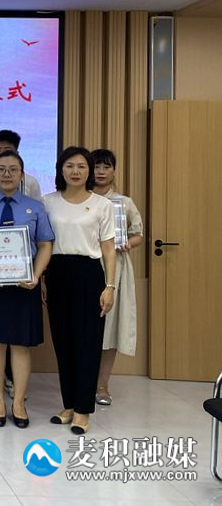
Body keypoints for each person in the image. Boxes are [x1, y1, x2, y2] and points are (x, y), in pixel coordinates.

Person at [0, 150, 54, 428]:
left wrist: (36, 275)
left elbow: (45, 245)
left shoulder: (35, 207)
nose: (7, 174)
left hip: (24, 284)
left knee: (20, 344)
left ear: (22, 174)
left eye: (13, 169)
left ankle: (18, 403)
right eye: (1, 169)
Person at [43, 146, 117, 435]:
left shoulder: (102, 205)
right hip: (57, 272)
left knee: (87, 342)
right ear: (60, 169)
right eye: (69, 166)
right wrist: (43, 278)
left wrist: (110, 286)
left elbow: (108, 248)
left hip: (89, 274)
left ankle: (83, 409)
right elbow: (43, 244)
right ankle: (69, 405)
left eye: (81, 166)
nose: (75, 171)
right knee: (63, 342)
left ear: (89, 171)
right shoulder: (48, 202)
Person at [92, 149, 144, 406]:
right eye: (96, 166)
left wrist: (127, 244)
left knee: (110, 328)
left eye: (106, 167)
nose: (101, 172)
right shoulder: (82, 199)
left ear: (114, 171)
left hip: (116, 268)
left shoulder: (124, 202)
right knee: (87, 327)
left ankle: (102, 385)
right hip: (87, 265)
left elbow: (138, 234)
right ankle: (83, 381)